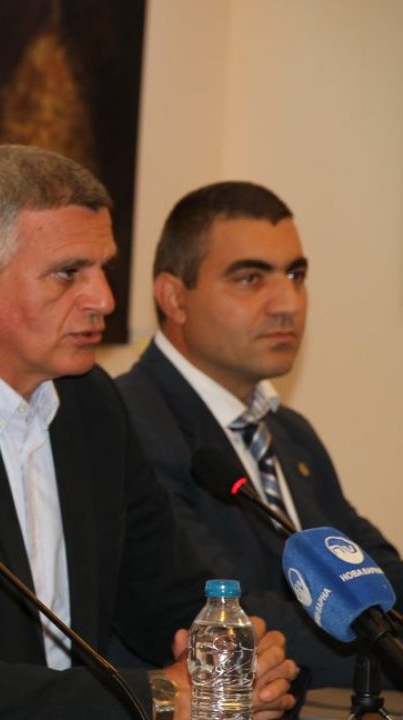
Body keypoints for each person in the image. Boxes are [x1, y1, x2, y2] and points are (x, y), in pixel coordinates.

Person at [0, 145, 298, 720]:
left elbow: (164, 594)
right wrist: (161, 695)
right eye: (69, 273)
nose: (104, 299)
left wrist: (232, 653)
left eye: (103, 268)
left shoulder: (90, 401)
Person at [115, 181, 403, 688]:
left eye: (296, 275)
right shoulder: (128, 421)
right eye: (250, 278)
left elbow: (374, 572)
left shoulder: (290, 433)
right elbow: (218, 609)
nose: (287, 303)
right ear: (174, 298)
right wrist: (386, 647)